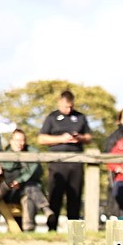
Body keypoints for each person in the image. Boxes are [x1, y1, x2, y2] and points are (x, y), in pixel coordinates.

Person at [37, 89, 92, 231]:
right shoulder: (52, 117)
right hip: (57, 163)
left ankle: (74, 231)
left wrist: (79, 138)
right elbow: (41, 138)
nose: (69, 109)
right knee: (55, 195)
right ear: (59, 102)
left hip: (76, 162)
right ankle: (52, 228)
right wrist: (61, 139)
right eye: (66, 106)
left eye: (71, 106)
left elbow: (89, 137)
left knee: (75, 196)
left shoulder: (80, 117)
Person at [0, 129, 52, 232]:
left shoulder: (32, 152)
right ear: (11, 141)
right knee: (30, 188)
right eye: (17, 140)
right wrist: (17, 180)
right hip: (10, 191)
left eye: (22, 140)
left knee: (28, 193)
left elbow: (35, 171)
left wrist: (20, 181)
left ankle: (28, 229)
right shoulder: (5, 155)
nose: (20, 143)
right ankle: (45, 208)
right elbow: (8, 171)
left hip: (27, 190)